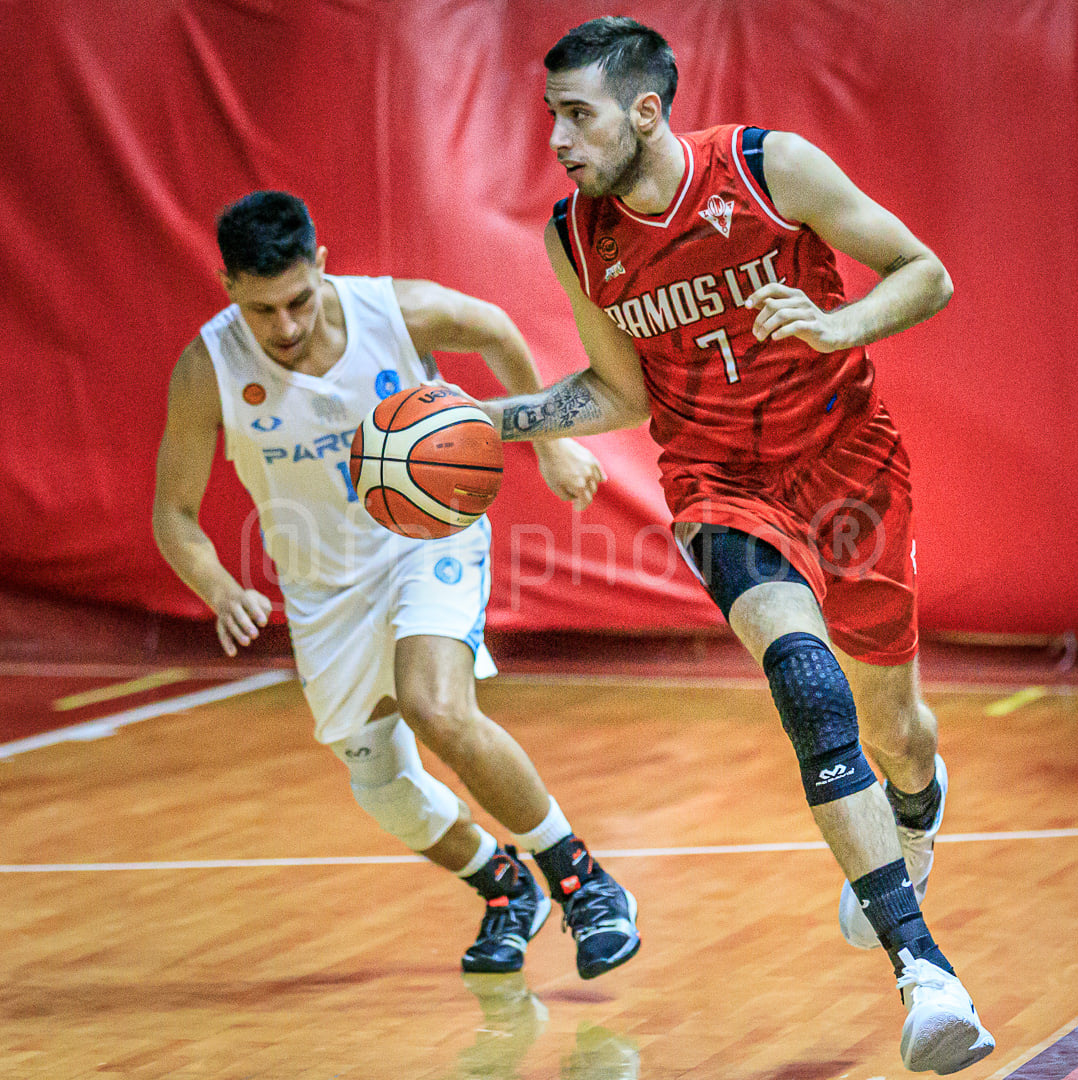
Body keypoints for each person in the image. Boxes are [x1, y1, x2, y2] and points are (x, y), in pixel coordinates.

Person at [474, 17, 993, 1074]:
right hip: (719, 484)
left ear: (646, 111)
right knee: (805, 682)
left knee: (895, 727)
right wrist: (487, 424)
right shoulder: (576, 235)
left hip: (849, 470)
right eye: (551, 117)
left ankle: (916, 806)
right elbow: (618, 392)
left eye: (578, 115)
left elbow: (923, 273)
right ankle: (925, 975)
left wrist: (842, 325)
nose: (560, 141)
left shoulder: (767, 168)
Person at [152, 190, 641, 980]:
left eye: (298, 300)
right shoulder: (207, 370)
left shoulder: (396, 312)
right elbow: (173, 514)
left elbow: (494, 328)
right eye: (261, 310)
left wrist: (547, 444)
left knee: (436, 705)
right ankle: (504, 886)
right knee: (382, 787)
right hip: (322, 588)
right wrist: (218, 587)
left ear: (321, 265)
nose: (284, 326)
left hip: (426, 540)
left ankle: (583, 882)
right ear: (227, 286)